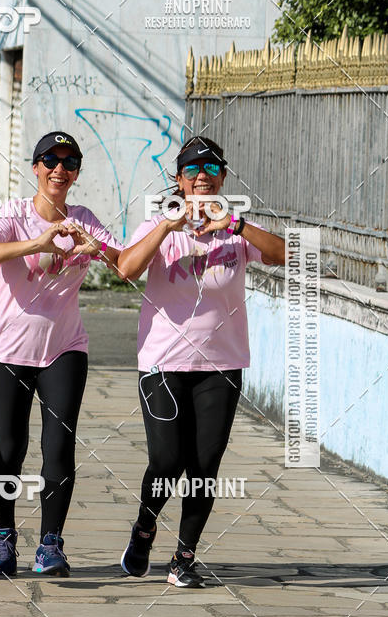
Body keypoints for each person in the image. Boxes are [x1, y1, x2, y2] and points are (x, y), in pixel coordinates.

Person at [117, 136, 285, 587]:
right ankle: (145, 526)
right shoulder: (158, 225)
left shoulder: (234, 230)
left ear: (224, 178)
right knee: (167, 460)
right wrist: (167, 228)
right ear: (179, 180)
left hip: (221, 365)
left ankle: (183, 559)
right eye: (192, 171)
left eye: (211, 171)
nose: (202, 179)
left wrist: (237, 224)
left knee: (204, 467)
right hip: (162, 364)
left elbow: (285, 254)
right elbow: (125, 269)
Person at [0, 131, 123, 578]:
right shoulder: (12, 214)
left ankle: (51, 544)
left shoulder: (84, 218)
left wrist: (101, 249)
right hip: (5, 350)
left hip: (64, 348)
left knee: (59, 447)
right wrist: (39, 244)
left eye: (69, 163)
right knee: (9, 448)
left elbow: (126, 264)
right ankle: (3, 537)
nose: (59, 169)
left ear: (76, 173)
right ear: (35, 167)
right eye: (50, 161)